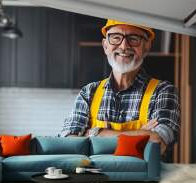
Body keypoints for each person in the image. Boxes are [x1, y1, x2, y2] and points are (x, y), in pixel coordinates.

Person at [60, 19, 180, 154]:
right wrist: (141, 134)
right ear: (105, 46)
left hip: (143, 175)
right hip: (93, 175)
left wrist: (96, 133)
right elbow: (68, 143)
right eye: (116, 38)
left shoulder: (163, 91)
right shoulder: (88, 92)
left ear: (146, 46)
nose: (123, 46)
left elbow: (157, 142)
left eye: (133, 39)